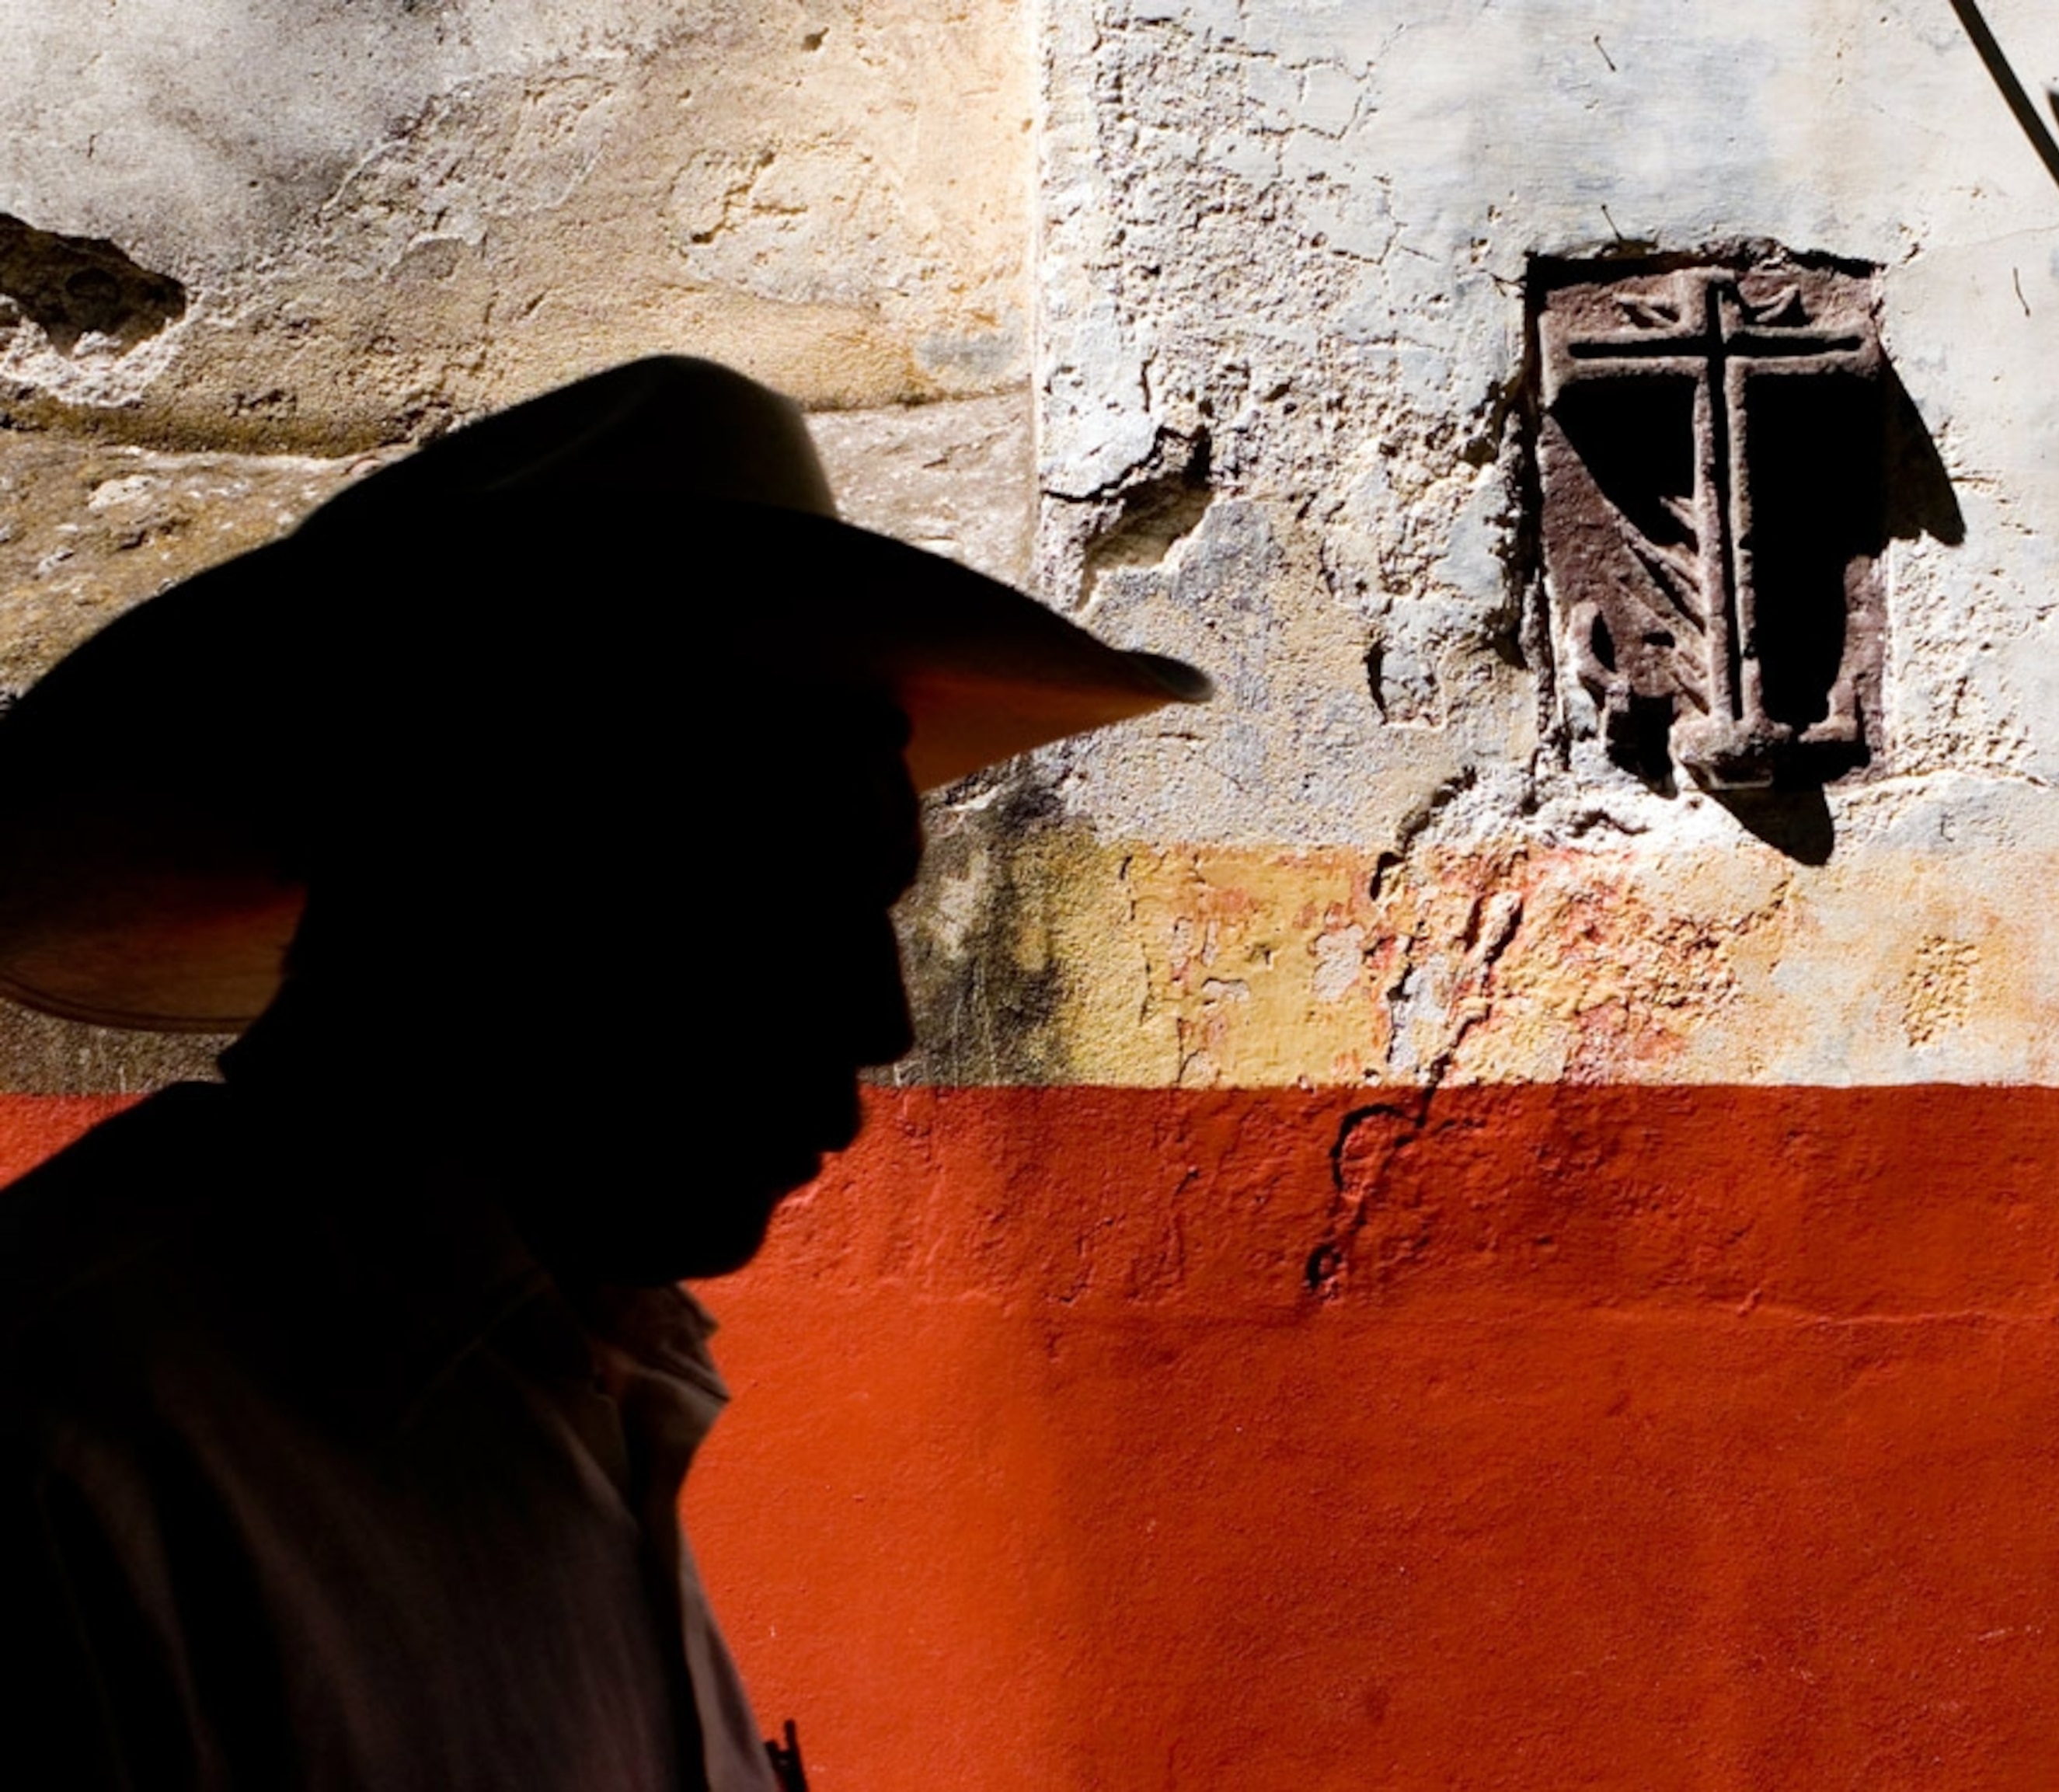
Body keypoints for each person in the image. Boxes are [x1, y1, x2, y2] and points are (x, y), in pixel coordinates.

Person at [0, 357, 1206, 1790]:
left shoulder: (593, 1377)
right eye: (780, 904)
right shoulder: (80, 1449)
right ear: (507, 894)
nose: (884, 1021)